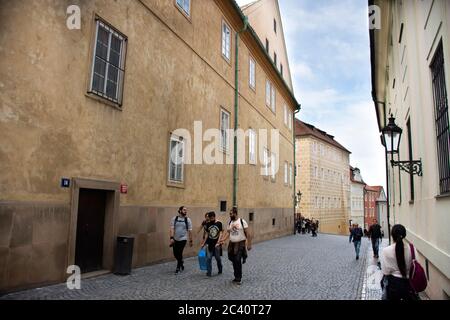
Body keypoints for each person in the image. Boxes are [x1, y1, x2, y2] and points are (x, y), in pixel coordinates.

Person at [380, 224, 419, 300]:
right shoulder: (412, 248)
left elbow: (385, 272)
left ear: (392, 235)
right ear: (404, 235)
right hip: (409, 284)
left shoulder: (386, 251)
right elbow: (415, 265)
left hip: (393, 285)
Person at [218, 207, 251, 285]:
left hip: (240, 243)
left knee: (237, 260)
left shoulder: (242, 221)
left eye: (231, 213)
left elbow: (248, 234)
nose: (230, 215)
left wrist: (249, 244)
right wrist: (223, 240)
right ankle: (236, 276)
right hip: (232, 244)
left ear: (235, 213)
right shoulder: (230, 222)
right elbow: (228, 233)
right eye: (230, 214)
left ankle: (239, 278)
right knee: (231, 258)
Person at [169, 206, 193, 274]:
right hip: (175, 239)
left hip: (183, 239)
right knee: (175, 254)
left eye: (186, 210)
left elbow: (190, 231)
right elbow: (172, 229)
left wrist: (191, 240)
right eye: (184, 210)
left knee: (179, 253)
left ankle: (178, 268)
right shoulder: (174, 219)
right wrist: (171, 238)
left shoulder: (187, 220)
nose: (185, 211)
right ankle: (181, 262)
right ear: (179, 210)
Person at [200, 211, 223, 277]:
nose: (212, 219)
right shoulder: (208, 224)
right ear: (209, 218)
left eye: (213, 218)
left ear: (215, 217)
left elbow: (220, 233)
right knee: (208, 258)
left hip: (216, 244)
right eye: (210, 218)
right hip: (209, 244)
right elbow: (207, 234)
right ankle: (209, 272)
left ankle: (220, 269)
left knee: (217, 258)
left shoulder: (219, 223)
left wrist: (218, 242)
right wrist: (203, 243)